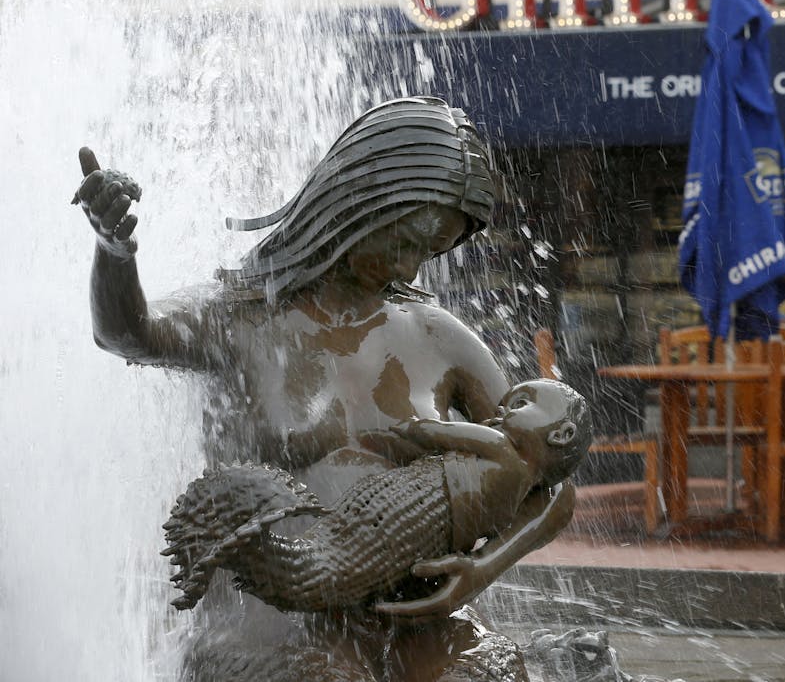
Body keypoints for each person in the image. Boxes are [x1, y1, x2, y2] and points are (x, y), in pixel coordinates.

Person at [73, 96, 568, 682]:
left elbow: (550, 476)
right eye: (410, 242)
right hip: (272, 613)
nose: (412, 270)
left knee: (487, 673)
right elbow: (127, 334)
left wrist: (481, 570)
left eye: (431, 253)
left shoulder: (438, 336)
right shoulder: (241, 317)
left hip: (408, 616)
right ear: (365, 200)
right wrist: (115, 253)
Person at [164, 379, 592, 615]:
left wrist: (397, 429)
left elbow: (432, 432)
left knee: (323, 561)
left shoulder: (500, 448)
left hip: (396, 515)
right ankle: (237, 548)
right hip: (405, 534)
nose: (498, 413)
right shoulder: (516, 495)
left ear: (561, 433)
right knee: (324, 567)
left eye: (518, 403)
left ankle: (227, 540)